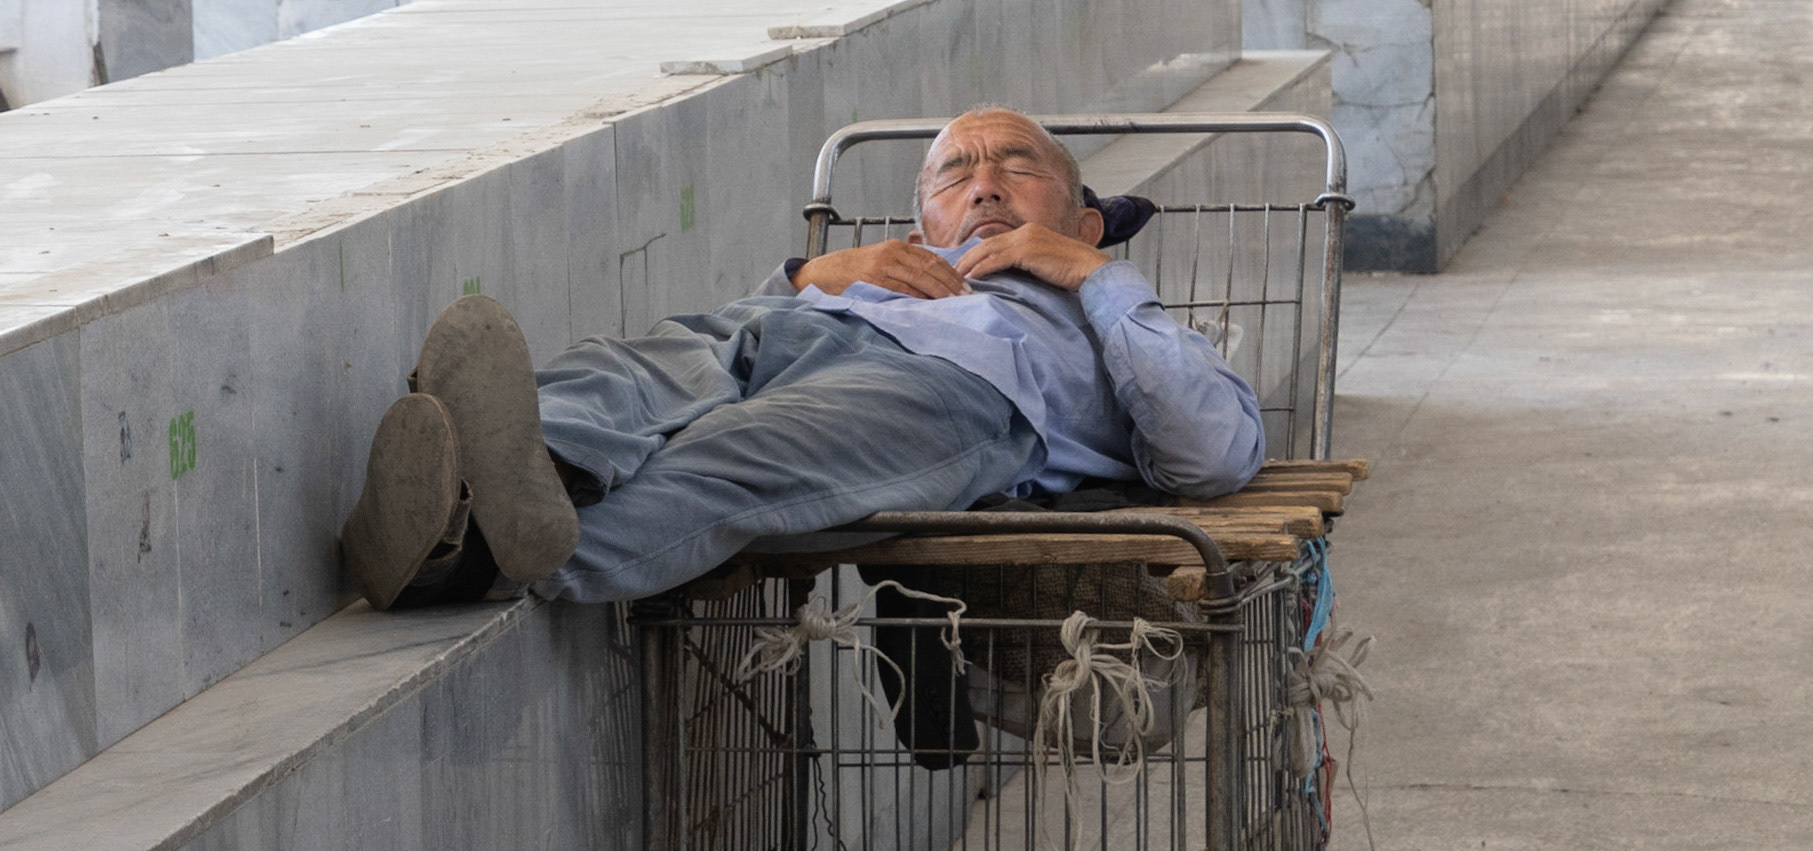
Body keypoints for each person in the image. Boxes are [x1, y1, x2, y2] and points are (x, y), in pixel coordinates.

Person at [340, 107, 1264, 609]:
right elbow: (738, 329)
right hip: (805, 326)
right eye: (956, 173)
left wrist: (1094, 277)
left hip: (953, 394)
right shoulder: (878, 266)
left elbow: (1214, 455)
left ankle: (467, 560)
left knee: (738, 452)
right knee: (641, 363)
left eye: (1017, 166)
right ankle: (530, 466)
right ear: (924, 221)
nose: (982, 182)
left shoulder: (1105, 308)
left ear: (1083, 215)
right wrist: (809, 278)